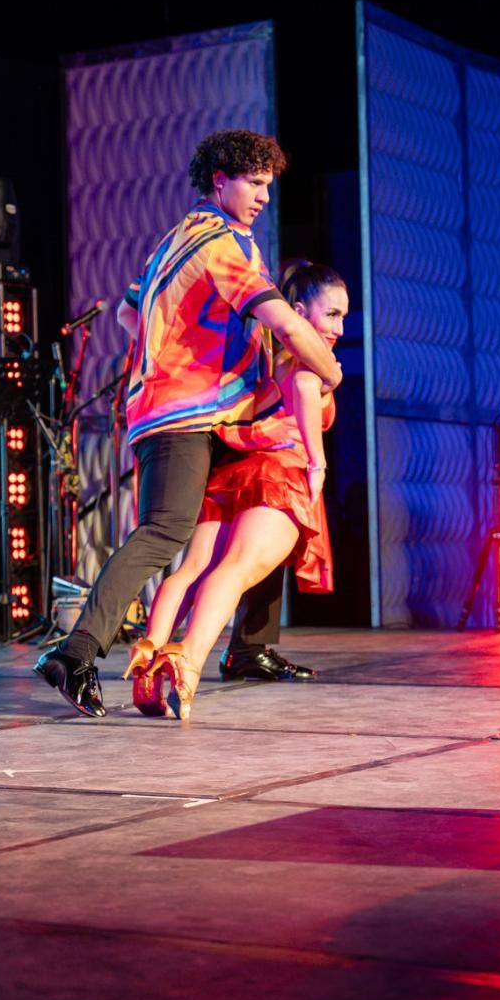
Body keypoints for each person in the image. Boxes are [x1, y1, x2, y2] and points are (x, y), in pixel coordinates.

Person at [35, 130, 341, 718]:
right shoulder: (226, 243)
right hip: (185, 414)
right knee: (166, 533)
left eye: (268, 186)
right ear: (219, 180)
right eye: (253, 183)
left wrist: (170, 348)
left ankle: (242, 647)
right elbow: (289, 328)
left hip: (186, 411)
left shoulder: (174, 238)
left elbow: (130, 311)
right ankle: (77, 651)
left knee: (252, 507)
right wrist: (331, 374)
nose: (263, 197)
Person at [130, 259, 348, 718]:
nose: (339, 328)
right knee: (235, 568)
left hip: (233, 473)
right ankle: (186, 662)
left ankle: (149, 661)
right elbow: (308, 388)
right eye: (332, 315)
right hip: (278, 473)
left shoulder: (256, 347)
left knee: (190, 572)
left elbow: (129, 310)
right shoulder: (303, 355)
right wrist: (318, 459)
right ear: (300, 310)